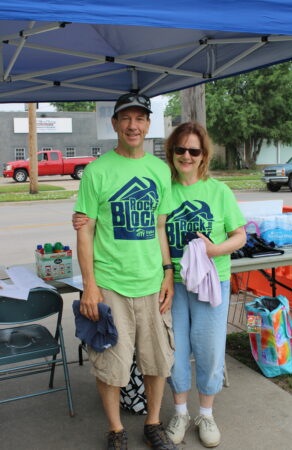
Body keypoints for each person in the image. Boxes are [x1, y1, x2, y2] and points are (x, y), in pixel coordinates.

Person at [74, 92, 178, 450]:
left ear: (148, 124)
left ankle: (153, 423)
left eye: (140, 118)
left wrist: (168, 273)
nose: (133, 125)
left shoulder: (160, 170)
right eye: (126, 118)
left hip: (151, 282)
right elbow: (84, 230)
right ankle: (116, 430)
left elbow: (161, 227)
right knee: (111, 363)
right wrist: (89, 286)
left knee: (157, 359)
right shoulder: (97, 171)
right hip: (111, 284)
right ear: (115, 124)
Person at [164, 122, 246, 448]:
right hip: (174, 284)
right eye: (180, 149)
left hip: (212, 283)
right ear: (171, 153)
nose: (186, 155)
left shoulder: (219, 191)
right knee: (176, 351)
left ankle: (206, 414)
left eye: (193, 150)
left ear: (203, 155)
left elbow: (239, 235)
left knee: (210, 351)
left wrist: (213, 250)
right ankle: (181, 412)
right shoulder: (163, 189)